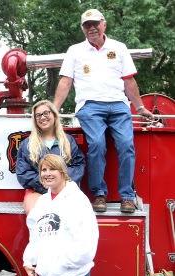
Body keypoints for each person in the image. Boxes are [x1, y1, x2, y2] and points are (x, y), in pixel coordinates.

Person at [53, 8, 153, 213]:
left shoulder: (119, 47)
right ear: (83, 29)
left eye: (95, 24)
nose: (91, 28)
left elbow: (129, 81)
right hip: (89, 105)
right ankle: (99, 194)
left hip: (118, 104)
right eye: (87, 25)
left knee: (126, 145)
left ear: (104, 25)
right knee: (97, 144)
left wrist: (140, 107)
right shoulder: (75, 50)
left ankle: (127, 196)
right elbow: (66, 81)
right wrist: (54, 108)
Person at [23, 153, 99, 276]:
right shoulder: (42, 202)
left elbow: (88, 237)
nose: (47, 173)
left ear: (63, 172)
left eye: (52, 169)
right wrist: (29, 260)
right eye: (44, 170)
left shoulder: (77, 200)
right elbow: (36, 234)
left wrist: (66, 263)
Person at [16, 100, 85, 213]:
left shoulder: (68, 141)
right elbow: (23, 173)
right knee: (37, 215)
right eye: (38, 115)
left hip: (65, 189)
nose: (42, 117)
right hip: (37, 191)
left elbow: (78, 165)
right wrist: (45, 184)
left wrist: (61, 183)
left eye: (46, 113)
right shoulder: (27, 144)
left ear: (54, 114)